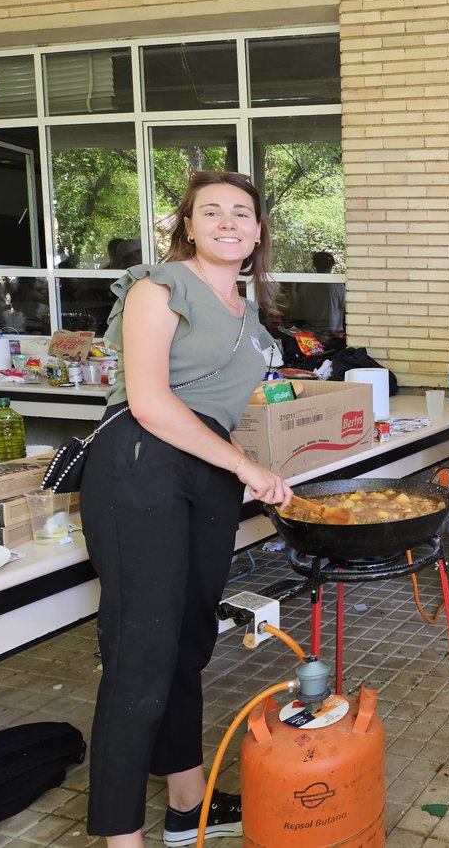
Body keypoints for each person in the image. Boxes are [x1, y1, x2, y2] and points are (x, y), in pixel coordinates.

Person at [79, 171, 294, 846]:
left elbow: (217, 409)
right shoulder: (158, 287)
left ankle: (186, 806)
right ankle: (122, 838)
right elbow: (148, 401)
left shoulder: (251, 315)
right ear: (190, 226)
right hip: (140, 464)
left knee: (186, 645)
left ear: (258, 233)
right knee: (140, 651)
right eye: (212, 212)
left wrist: (248, 470)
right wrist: (244, 464)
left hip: (206, 474)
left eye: (242, 213)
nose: (228, 222)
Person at [288, 250, 346, 344]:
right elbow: (347, 308)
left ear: (314, 266)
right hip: (334, 337)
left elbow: (298, 312)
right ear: (331, 266)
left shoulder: (306, 288)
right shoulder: (337, 286)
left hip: (312, 337)